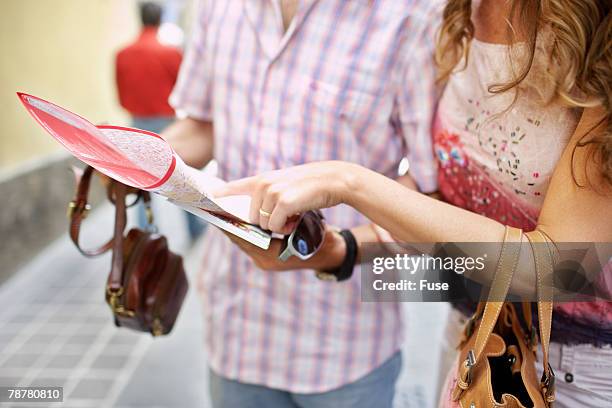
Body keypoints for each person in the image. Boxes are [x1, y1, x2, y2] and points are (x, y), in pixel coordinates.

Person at [216, 1, 612, 406]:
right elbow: (444, 196)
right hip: (479, 337)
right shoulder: (454, 12)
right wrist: (344, 248)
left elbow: (561, 269)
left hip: (584, 375)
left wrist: (348, 182)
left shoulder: (601, 31)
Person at [162, 0, 443, 406]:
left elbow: (427, 185)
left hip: (346, 344)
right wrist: (132, 159)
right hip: (236, 327)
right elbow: (204, 126)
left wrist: (339, 249)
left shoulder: (412, 16)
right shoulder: (216, 6)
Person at [115, 2, 203, 238]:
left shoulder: (122, 54)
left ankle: (144, 233)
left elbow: (121, 96)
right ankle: (194, 228)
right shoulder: (170, 53)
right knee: (181, 180)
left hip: (138, 123)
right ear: (161, 18)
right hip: (169, 122)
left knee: (143, 183)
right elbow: (185, 91)